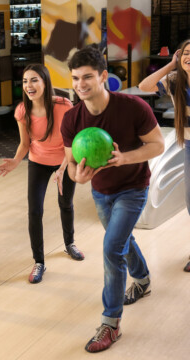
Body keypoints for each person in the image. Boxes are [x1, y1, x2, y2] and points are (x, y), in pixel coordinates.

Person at [61, 45, 164, 352]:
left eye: (88, 77)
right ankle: (142, 279)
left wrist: (124, 158)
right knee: (121, 242)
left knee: (111, 248)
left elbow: (157, 145)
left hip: (133, 188)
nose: (81, 84)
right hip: (100, 192)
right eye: (76, 78)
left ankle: (111, 324)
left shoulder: (133, 107)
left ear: (104, 76)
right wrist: (75, 177)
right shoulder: (71, 119)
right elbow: (69, 163)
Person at [0, 63, 84, 285]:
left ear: (45, 82)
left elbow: (72, 142)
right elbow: (25, 143)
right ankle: (39, 261)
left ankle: (70, 243)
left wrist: (64, 167)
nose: (29, 85)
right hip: (38, 162)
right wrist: (16, 160)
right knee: (34, 211)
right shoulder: (22, 111)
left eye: (34, 80)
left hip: (64, 159)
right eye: (25, 81)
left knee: (66, 203)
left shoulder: (63, 105)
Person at [138, 40, 190, 273]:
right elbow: (144, 85)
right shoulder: (174, 81)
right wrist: (171, 65)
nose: (189, 57)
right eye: (186, 53)